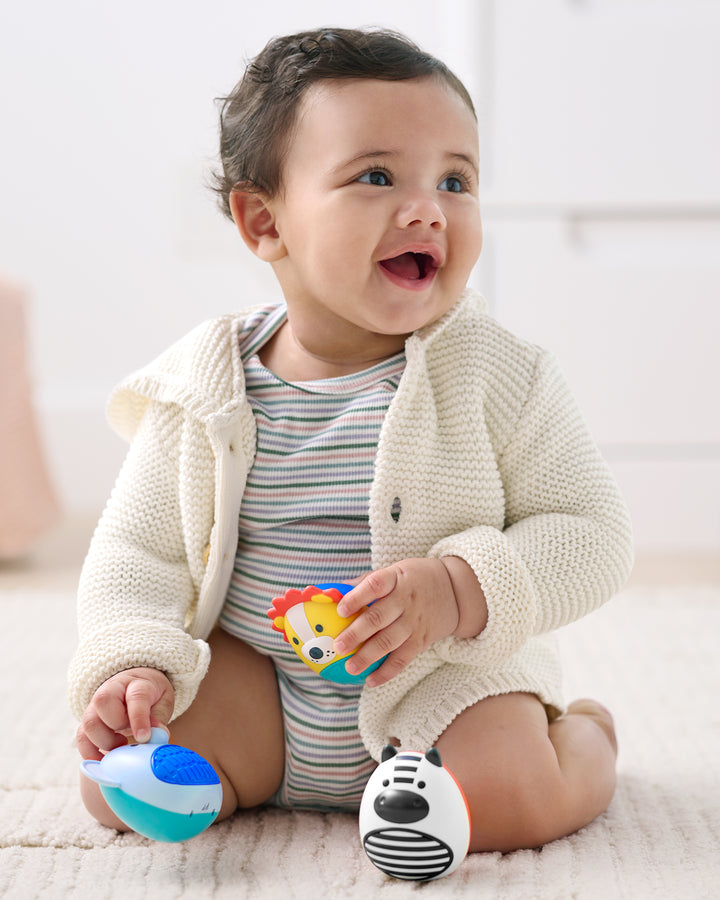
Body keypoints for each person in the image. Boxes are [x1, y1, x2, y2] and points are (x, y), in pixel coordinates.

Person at [69, 27, 633, 854]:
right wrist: (135, 664)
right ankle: (230, 773)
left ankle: (585, 737)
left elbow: (592, 533)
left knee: (513, 798)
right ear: (265, 221)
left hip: (439, 685)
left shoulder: (499, 374)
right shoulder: (203, 386)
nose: (428, 209)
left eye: (455, 180)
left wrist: (458, 589)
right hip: (259, 682)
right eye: (377, 176)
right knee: (111, 781)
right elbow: (136, 553)